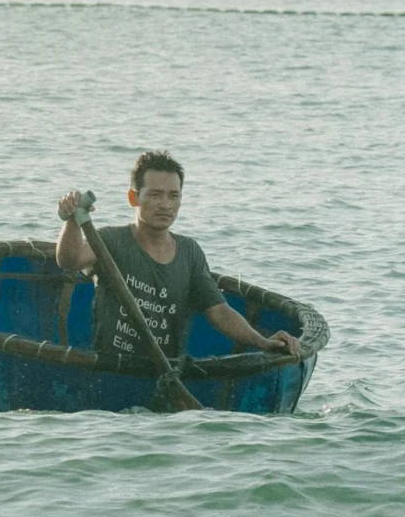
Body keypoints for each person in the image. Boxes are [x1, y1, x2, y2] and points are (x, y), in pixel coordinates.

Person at [55, 149, 298, 373]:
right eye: (155, 195)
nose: (165, 204)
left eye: (174, 196)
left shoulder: (189, 251)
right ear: (134, 198)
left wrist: (263, 342)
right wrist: (71, 221)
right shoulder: (110, 240)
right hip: (112, 369)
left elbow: (219, 312)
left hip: (165, 372)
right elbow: (69, 260)